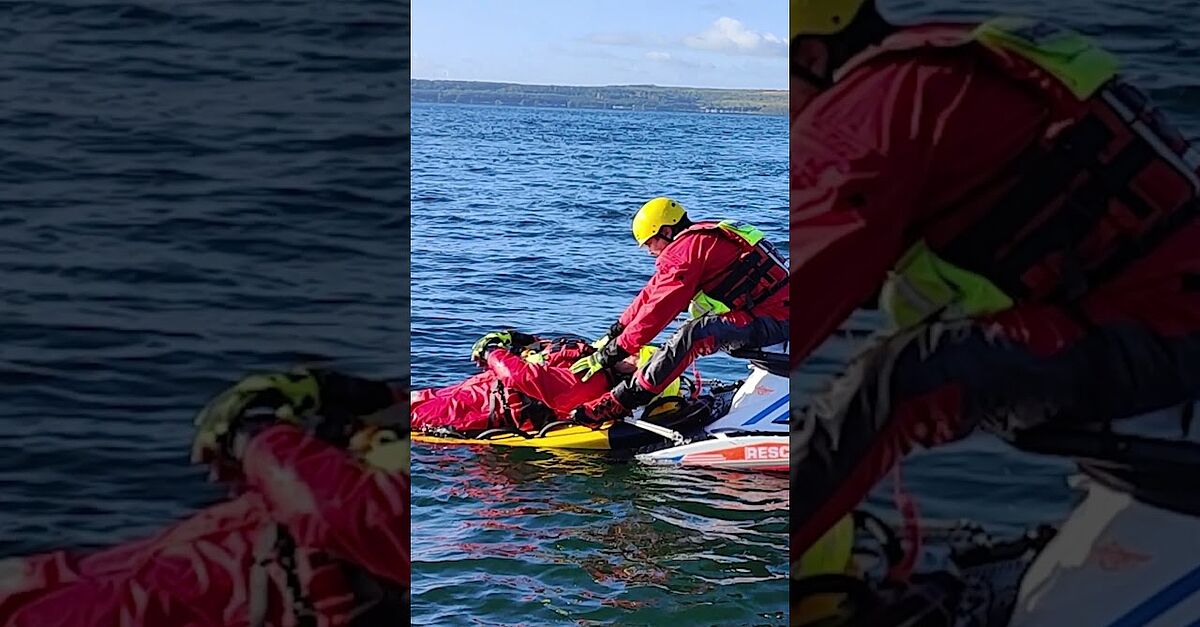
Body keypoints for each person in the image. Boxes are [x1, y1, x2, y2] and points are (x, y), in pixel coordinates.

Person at [791, 0, 1200, 624]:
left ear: (812, 56)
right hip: (1158, 313)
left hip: (1159, 334)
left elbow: (808, 281)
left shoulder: (871, 106)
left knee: (898, 383)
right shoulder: (953, 58)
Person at [0, 370, 410, 627]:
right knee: (25, 584)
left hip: (234, 600)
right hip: (200, 563)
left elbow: (355, 514)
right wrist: (361, 399)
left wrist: (257, 435)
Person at [569, 197, 790, 423]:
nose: (648, 251)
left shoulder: (685, 253)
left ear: (665, 231)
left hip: (776, 319)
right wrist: (615, 332)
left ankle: (621, 401)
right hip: (773, 312)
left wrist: (613, 353)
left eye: (649, 243)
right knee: (693, 333)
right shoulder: (699, 238)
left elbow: (657, 312)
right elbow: (651, 293)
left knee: (693, 335)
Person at [412, 330, 679, 433]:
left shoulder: (590, 382)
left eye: (635, 357)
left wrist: (491, 352)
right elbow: (548, 352)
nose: (628, 352)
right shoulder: (593, 362)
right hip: (483, 390)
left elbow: (520, 376)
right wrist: (518, 339)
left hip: (480, 407)